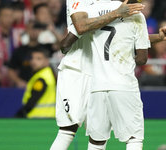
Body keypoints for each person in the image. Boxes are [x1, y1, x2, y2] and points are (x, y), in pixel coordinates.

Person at [50, 1, 145, 150]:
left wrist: (155, 37)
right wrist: (117, 13)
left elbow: (122, 35)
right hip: (76, 68)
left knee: (98, 139)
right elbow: (81, 27)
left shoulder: (104, 5)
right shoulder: (88, 3)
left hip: (98, 72)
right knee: (67, 130)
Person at [8, 21, 58, 88]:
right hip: (25, 87)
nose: (34, 31)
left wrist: (53, 31)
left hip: (44, 85)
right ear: (26, 29)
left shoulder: (46, 48)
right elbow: (11, 69)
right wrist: (19, 82)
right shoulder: (19, 50)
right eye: (32, 28)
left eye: (36, 28)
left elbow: (62, 45)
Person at [15, 46, 56, 118]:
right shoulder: (47, 74)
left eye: (39, 59)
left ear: (47, 62)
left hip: (38, 118)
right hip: (47, 117)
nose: (33, 61)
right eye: (32, 58)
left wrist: (19, 115)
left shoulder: (42, 79)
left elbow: (31, 102)